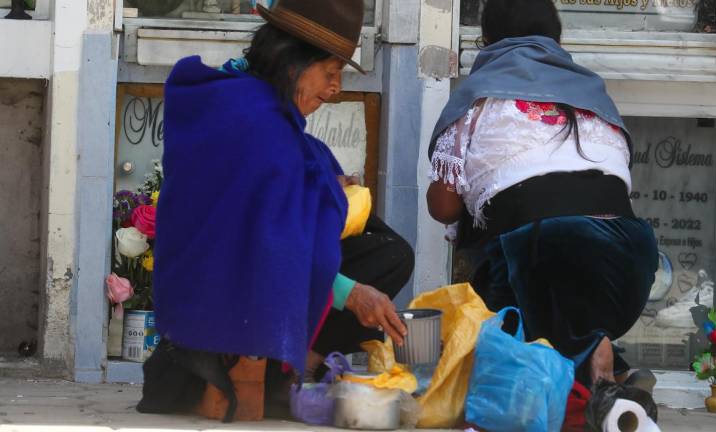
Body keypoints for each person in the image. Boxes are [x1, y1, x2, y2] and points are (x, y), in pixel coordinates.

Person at [143, 0, 413, 415]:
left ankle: (286, 360)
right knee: (374, 258)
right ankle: (268, 369)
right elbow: (271, 242)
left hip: (212, 281)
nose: (335, 88)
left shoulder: (238, 96)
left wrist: (324, 185)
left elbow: (271, 197)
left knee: (385, 249)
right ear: (292, 64)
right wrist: (352, 292)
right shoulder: (260, 124)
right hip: (223, 292)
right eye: (329, 73)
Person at [426, 0, 657, 386]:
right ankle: (610, 371)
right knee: (555, 309)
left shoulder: (480, 95)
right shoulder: (593, 94)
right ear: (556, 38)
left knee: (501, 341)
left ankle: (591, 355)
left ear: (487, 40)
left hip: (548, 247)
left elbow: (445, 206)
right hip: (633, 259)